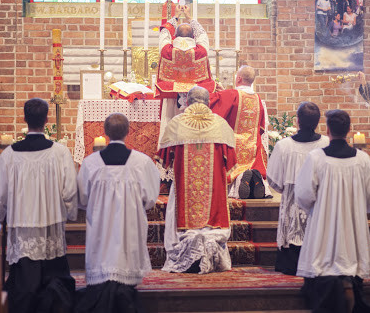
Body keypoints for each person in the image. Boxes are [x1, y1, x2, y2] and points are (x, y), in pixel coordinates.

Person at [0, 98, 77, 313]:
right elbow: (70, 191)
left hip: (22, 229)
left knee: (24, 285)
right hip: (51, 227)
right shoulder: (60, 153)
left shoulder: (9, 155)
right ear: (47, 119)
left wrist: (6, 213)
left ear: (24, 119)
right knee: (55, 281)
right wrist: (67, 211)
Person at [294, 109, 370, 313]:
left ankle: (333, 287)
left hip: (323, 224)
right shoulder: (361, 159)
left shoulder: (316, 158)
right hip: (353, 225)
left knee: (322, 268)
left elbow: (304, 194)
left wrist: (317, 209)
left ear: (327, 129)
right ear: (348, 130)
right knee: (349, 261)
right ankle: (347, 282)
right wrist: (359, 208)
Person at [76, 113, 160, 313]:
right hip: (129, 223)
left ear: (105, 133)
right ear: (128, 132)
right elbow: (149, 198)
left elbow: (83, 198)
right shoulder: (142, 162)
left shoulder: (90, 163)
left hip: (100, 225)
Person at [157, 86, 237, 274]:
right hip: (214, 192)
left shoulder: (176, 123)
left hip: (185, 191)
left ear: (187, 101)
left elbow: (164, 159)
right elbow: (232, 162)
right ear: (208, 102)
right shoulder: (220, 124)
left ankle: (186, 252)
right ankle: (212, 245)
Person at [267, 102, 329, 276]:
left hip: (292, 202)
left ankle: (291, 265)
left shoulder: (284, 146)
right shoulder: (326, 143)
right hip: (318, 202)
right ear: (317, 122)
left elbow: (274, 181)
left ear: (297, 121)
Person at [156, 4, 216, 144]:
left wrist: (175, 17)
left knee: (169, 123)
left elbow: (164, 34)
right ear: (193, 36)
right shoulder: (201, 51)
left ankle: (168, 155)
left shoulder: (167, 51)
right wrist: (190, 18)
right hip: (195, 98)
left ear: (175, 36)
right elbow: (202, 34)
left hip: (172, 96)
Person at [210, 65, 269, 199]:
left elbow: (212, 103)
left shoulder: (232, 94)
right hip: (252, 145)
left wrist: (213, 89)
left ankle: (242, 179)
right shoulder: (257, 99)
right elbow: (261, 127)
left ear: (239, 78)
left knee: (230, 163)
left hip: (234, 145)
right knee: (250, 165)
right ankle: (253, 179)